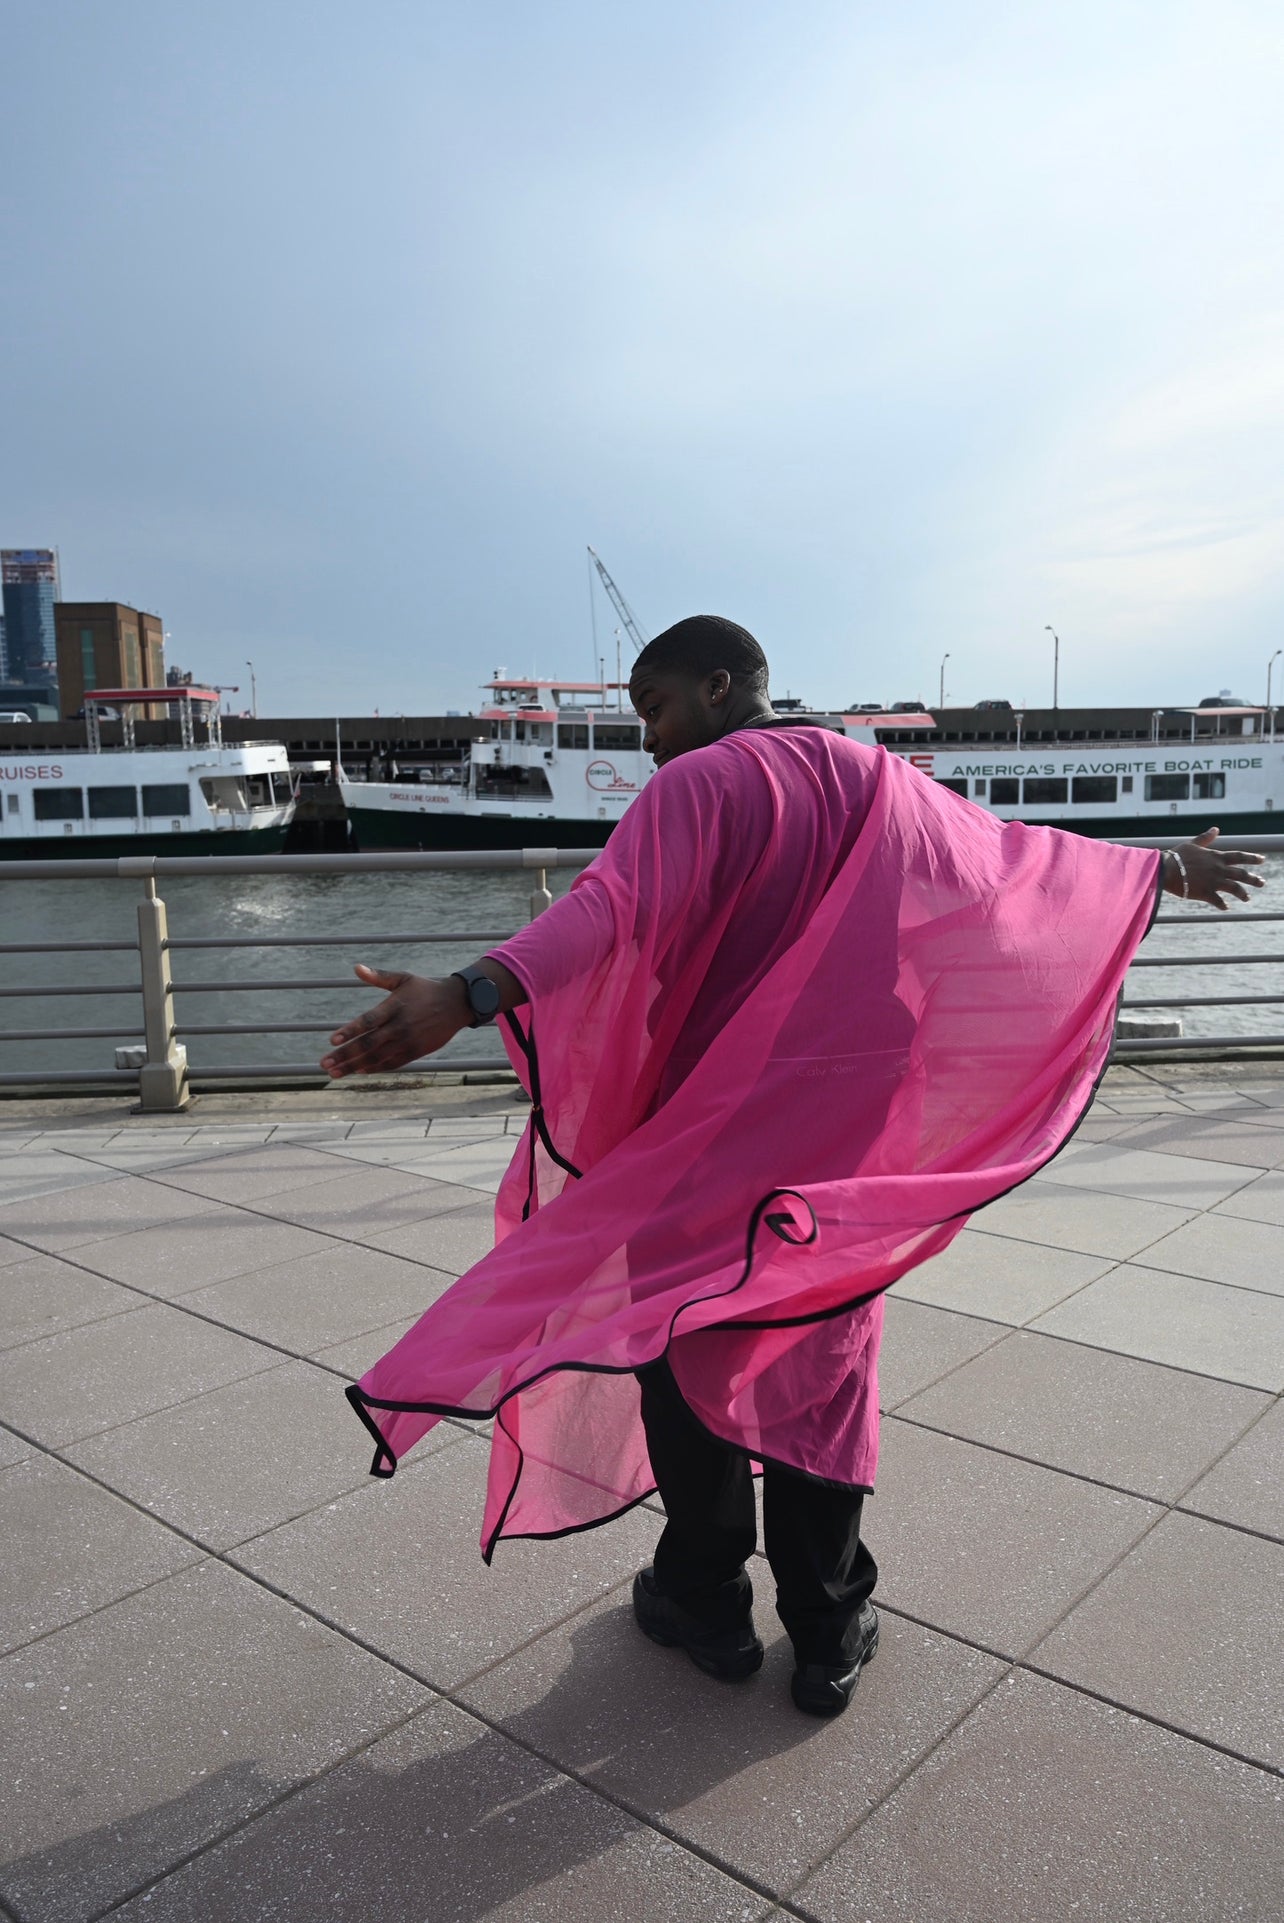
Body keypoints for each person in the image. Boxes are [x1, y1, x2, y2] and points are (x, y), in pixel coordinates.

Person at [322, 616, 1263, 1717]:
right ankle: (826, 1631)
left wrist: (469, 993)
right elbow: (1008, 865)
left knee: (678, 1337)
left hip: (703, 1128)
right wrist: (1161, 868)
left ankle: (706, 1605)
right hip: (844, 1130)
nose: (651, 743)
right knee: (822, 1357)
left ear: (720, 687)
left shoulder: (694, 789)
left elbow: (603, 916)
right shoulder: (876, 779)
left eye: (657, 710)